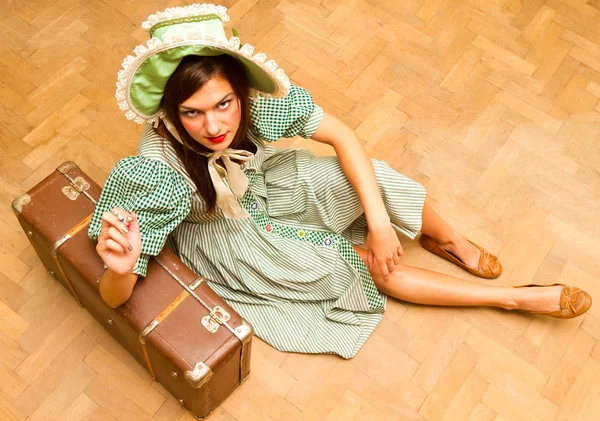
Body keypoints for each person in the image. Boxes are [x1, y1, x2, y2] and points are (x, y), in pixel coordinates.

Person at [89, 4, 591, 359]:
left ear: (239, 88)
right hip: (230, 233)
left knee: (372, 181)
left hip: (269, 181)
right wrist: (121, 267)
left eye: (223, 104)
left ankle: (448, 239)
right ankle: (514, 297)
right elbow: (115, 297)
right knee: (362, 266)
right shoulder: (156, 171)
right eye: (192, 113)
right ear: (172, 112)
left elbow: (343, 136)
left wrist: (379, 222)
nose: (216, 126)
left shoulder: (257, 103)